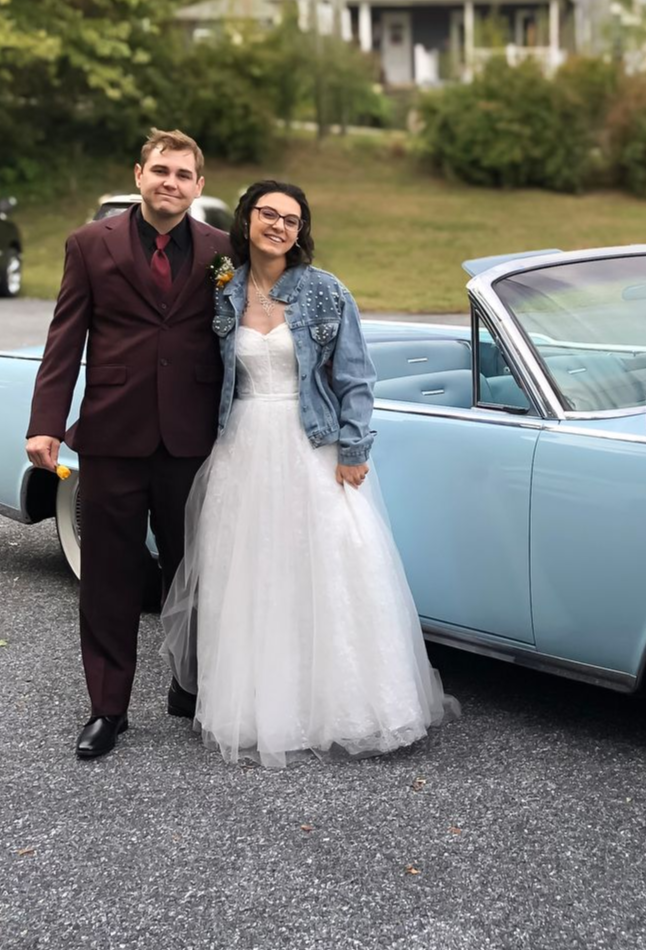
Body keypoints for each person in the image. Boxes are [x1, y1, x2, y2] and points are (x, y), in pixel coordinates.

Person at [161, 180, 456, 766]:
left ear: (301, 232)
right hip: (242, 446)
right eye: (268, 214)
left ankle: (345, 706)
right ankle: (258, 706)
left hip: (311, 443)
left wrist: (354, 447)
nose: (279, 226)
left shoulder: (326, 292)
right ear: (246, 221)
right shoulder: (224, 292)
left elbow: (356, 378)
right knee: (249, 574)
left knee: (328, 566)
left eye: (291, 220)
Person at [26, 129, 231, 760]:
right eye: (161, 170)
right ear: (138, 174)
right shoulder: (91, 245)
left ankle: (189, 685)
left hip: (191, 440)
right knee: (109, 578)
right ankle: (107, 709)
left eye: (184, 174)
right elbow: (66, 337)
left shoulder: (223, 250)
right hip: (113, 436)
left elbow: (235, 339)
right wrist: (46, 422)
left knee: (193, 571)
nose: (171, 182)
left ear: (198, 186)